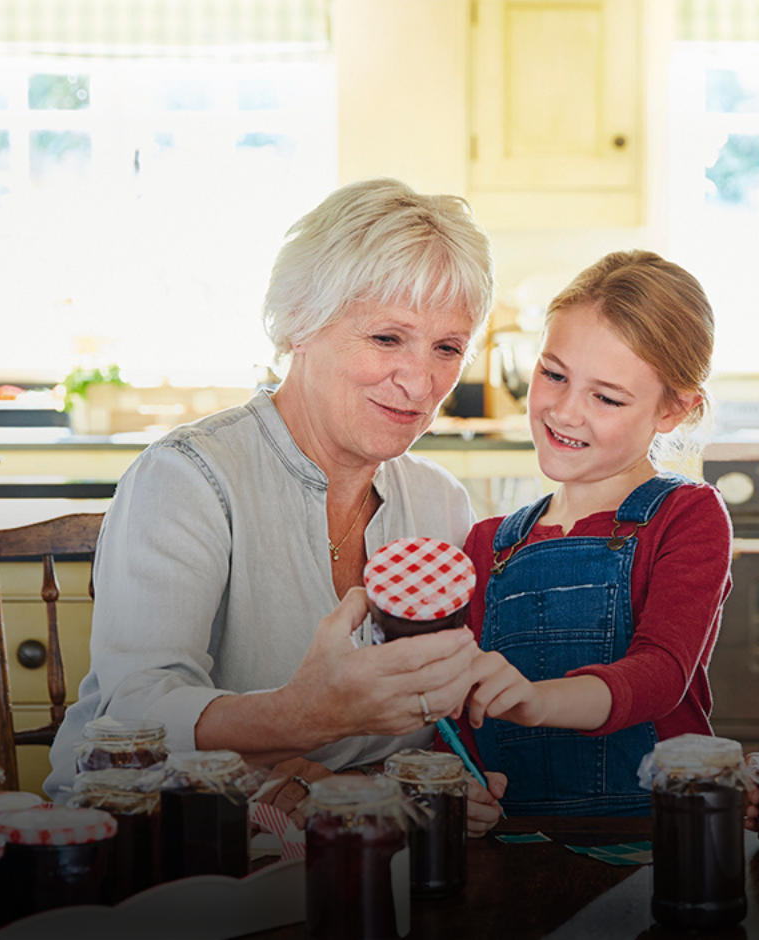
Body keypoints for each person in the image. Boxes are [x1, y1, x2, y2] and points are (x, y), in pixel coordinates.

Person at [44, 178, 507, 835]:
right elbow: (133, 723)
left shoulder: (440, 503)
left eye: (447, 348)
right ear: (297, 321)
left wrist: (431, 781)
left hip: (343, 846)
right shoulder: (188, 477)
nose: (421, 382)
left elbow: (425, 723)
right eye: (386, 338)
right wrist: (306, 714)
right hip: (153, 838)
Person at [458, 250, 733, 816]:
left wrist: (538, 701)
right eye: (553, 374)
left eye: (606, 397)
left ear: (675, 409)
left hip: (656, 840)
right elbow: (458, 711)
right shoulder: (487, 544)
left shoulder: (687, 517)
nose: (564, 410)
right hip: (514, 844)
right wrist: (461, 783)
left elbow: (660, 673)